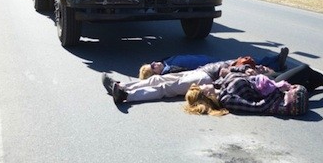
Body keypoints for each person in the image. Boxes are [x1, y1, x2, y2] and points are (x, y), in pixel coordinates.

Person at [184, 63, 323, 117]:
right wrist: (279, 91)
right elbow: (257, 106)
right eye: (201, 88)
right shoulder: (228, 100)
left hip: (265, 80)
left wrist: (245, 71)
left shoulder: (218, 86)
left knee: (302, 77)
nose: (203, 85)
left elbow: (228, 73)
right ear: (206, 96)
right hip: (271, 88)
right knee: (303, 69)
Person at [102, 60, 253, 104]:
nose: (259, 67)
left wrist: (236, 68)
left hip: (205, 78)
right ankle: (121, 86)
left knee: (165, 88)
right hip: (199, 72)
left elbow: (227, 75)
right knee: (157, 78)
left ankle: (126, 95)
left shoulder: (248, 70)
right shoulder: (244, 63)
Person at [138, 47, 288, 79]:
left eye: (151, 63)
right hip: (210, 67)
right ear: (155, 73)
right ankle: (275, 63)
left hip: (208, 61)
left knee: (242, 62)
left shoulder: (166, 61)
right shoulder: (170, 71)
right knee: (243, 63)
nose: (154, 63)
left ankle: (275, 64)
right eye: (152, 66)